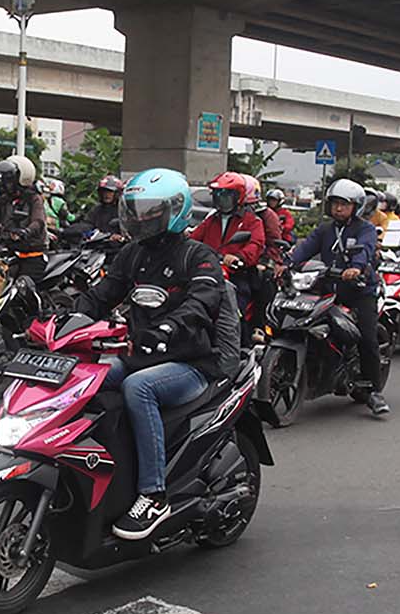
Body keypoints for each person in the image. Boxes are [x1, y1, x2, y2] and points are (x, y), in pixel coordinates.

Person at [74, 169, 241, 539]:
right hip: (143, 355)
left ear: (175, 211)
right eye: (134, 210)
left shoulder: (198, 256)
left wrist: (166, 329)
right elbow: (103, 294)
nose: (140, 218)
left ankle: (153, 494)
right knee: (86, 380)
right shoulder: (131, 254)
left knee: (138, 389)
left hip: (191, 362)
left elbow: (203, 300)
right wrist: (66, 320)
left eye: (150, 211)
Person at [285, 179, 389, 416]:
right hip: (328, 287)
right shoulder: (325, 230)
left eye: (344, 204)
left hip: (359, 291)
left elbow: (365, 249)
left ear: (356, 206)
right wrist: (286, 264)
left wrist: (356, 268)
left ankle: (374, 391)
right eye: (335, 204)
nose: (338, 209)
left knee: (367, 337)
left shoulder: (365, 229)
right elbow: (305, 248)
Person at [192, 171, 266, 314]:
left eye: (226, 195)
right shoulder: (212, 219)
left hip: (234, 274)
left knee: (235, 310)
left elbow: (256, 244)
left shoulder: (252, 221)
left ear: (238, 197)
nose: (221, 199)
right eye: (218, 195)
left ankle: (241, 334)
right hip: (207, 270)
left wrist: (239, 257)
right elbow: (194, 238)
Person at [0, 154, 48, 278]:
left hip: (31, 255)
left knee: (23, 290)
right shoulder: (4, 200)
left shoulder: (34, 198)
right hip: (9, 252)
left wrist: (26, 232)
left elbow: (38, 221)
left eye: (8, 181)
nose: (4, 185)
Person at [72, 174, 125, 238]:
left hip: (120, 245)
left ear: (117, 193)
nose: (106, 194)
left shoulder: (123, 209)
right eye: (104, 191)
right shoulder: (97, 209)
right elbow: (87, 223)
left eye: (110, 192)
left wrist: (119, 236)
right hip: (99, 243)